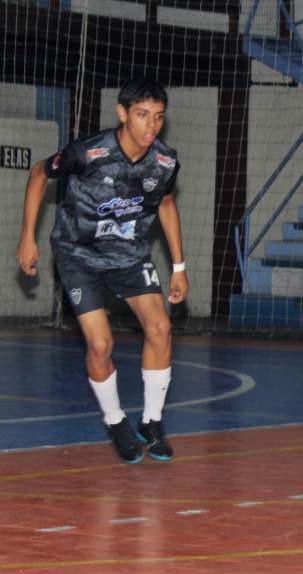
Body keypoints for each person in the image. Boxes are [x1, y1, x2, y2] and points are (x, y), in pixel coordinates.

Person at [15, 78, 186, 464]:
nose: (151, 126)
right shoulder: (88, 153)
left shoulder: (164, 162)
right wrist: (28, 236)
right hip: (79, 255)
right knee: (100, 344)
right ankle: (115, 422)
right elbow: (40, 174)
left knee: (160, 328)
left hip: (128, 255)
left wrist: (179, 266)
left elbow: (167, 205)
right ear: (122, 114)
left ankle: (152, 423)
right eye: (142, 116)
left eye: (158, 118)